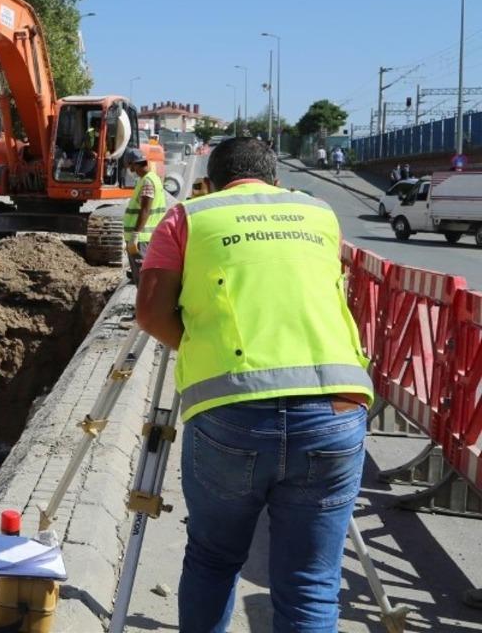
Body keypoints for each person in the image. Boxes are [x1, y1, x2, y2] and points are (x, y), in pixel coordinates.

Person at [136, 137, 373, 632]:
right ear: (276, 181)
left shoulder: (189, 217)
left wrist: (204, 348)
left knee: (213, 559)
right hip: (334, 407)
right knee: (310, 583)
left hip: (231, 413)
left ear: (211, 182)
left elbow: (152, 313)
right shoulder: (318, 213)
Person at [123, 148, 167, 283]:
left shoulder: (147, 181)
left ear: (134, 164)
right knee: (143, 275)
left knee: (143, 276)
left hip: (142, 238)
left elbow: (145, 210)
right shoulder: (152, 178)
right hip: (147, 236)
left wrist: (135, 235)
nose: (129, 169)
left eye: (129, 165)